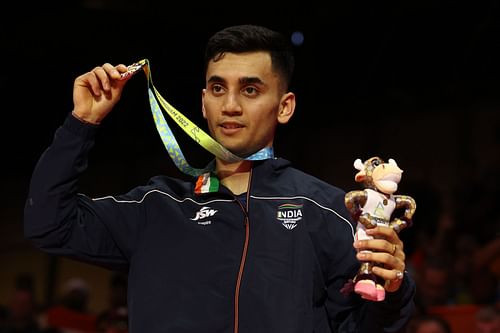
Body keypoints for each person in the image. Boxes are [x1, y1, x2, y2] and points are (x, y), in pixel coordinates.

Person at [24, 24, 415, 332]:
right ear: (203, 103)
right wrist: (82, 124)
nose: (230, 105)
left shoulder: (329, 210)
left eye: (249, 89)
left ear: (284, 107)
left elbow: (363, 327)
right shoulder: (157, 207)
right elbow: (47, 224)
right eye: (217, 88)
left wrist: (395, 291)